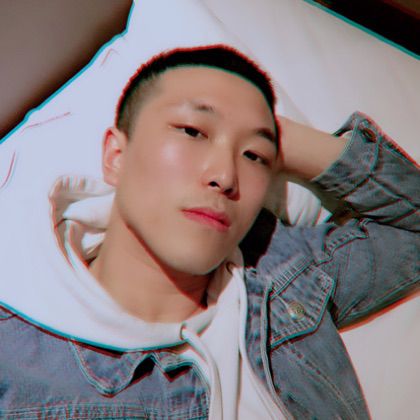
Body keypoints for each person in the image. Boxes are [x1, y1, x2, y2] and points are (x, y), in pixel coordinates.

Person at [0, 46, 418, 419]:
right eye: (192, 132)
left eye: (254, 156)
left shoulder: (282, 274)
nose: (225, 176)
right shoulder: (17, 361)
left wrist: (285, 140)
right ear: (116, 156)